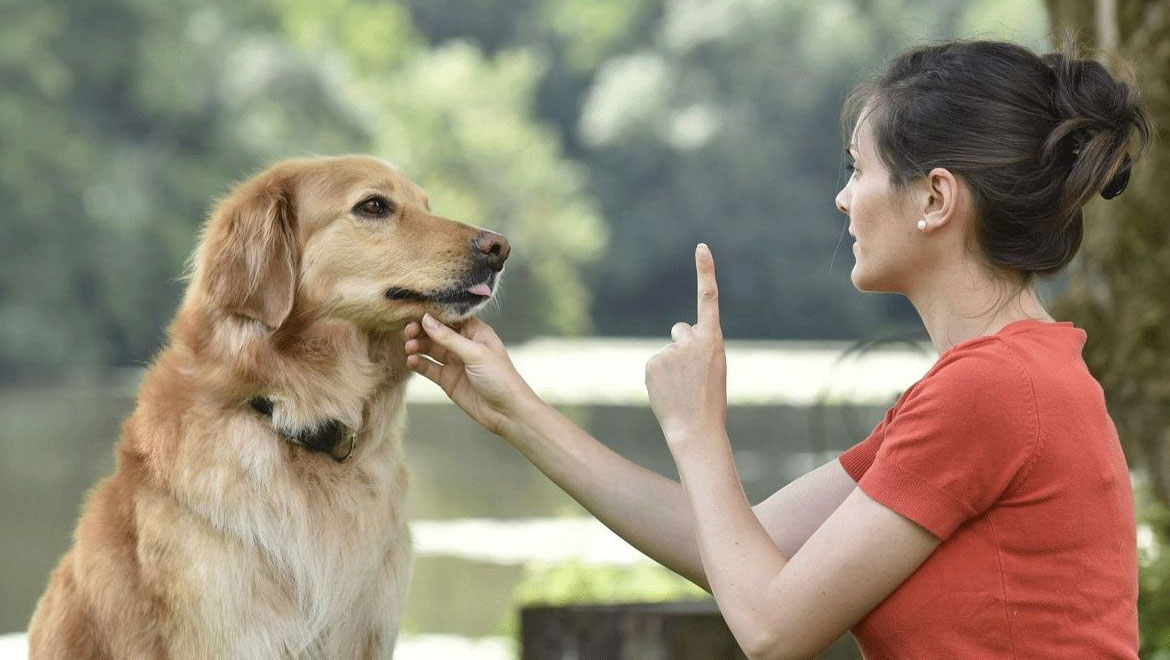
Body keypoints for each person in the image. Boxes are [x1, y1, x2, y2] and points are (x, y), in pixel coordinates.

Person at [403, 40, 1150, 658]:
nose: (843, 197)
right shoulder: (1000, 379)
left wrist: (698, 430)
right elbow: (741, 550)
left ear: (935, 200)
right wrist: (517, 412)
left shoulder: (990, 391)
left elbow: (770, 626)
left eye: (859, 170)